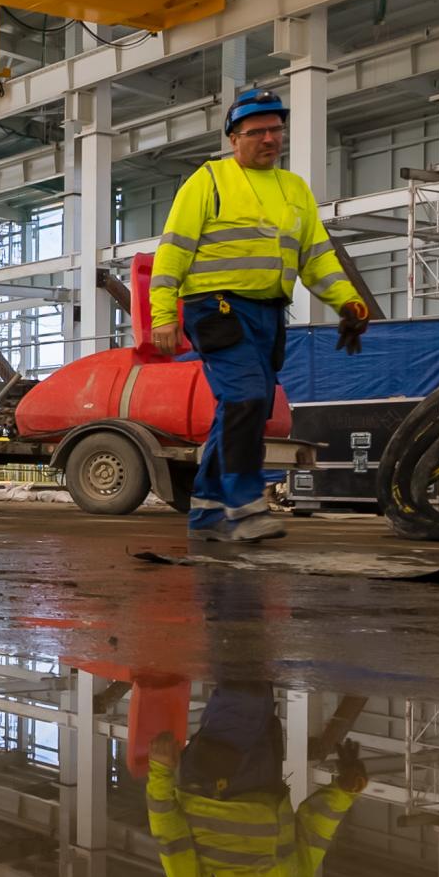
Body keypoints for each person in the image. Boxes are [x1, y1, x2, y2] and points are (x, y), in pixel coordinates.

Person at [148, 88, 366, 541]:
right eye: (258, 131)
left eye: (276, 129)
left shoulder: (294, 191)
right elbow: (172, 254)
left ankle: (207, 514)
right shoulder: (207, 182)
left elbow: (317, 258)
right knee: (246, 398)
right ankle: (246, 509)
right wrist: (163, 314)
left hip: (268, 316)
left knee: (242, 408)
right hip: (216, 309)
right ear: (234, 138)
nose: (270, 139)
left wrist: (347, 301)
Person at [146, 692, 370, 877]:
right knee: (259, 692)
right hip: (267, 780)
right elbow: (313, 835)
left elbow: (170, 837)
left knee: (245, 692)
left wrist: (160, 772)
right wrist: (344, 792)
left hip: (216, 783)